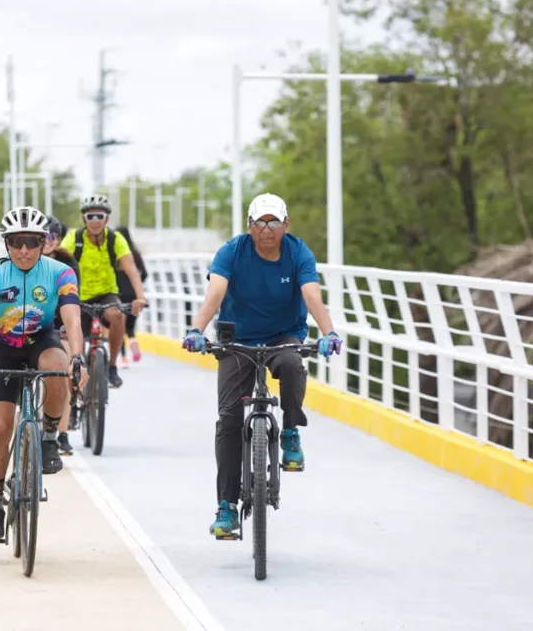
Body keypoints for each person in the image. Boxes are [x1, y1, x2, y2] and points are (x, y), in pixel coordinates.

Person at [180, 193, 343, 537]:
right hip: (236, 338)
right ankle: (226, 506)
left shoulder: (299, 252)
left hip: (284, 334)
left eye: (273, 222)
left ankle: (290, 433)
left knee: (293, 364)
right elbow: (215, 295)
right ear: (249, 226)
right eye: (259, 223)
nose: (266, 230)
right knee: (228, 418)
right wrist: (197, 330)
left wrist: (329, 333)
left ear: (286, 225)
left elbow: (312, 295)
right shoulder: (231, 252)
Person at [0, 206, 88, 542]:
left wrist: (77, 357)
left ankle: (49, 438)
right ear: (6, 243)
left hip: (41, 339)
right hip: (2, 346)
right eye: (16, 242)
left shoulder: (61, 272)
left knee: (58, 365)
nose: (24, 250)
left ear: (43, 242)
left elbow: (72, 320)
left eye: (32, 242)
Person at [60, 194, 147, 388]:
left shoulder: (115, 239)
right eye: (90, 216)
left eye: (100, 216)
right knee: (76, 338)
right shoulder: (74, 238)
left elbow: (132, 269)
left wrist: (140, 297)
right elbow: (59, 262)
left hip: (107, 292)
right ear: (84, 219)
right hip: (78, 295)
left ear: (107, 219)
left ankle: (112, 366)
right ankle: (76, 376)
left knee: (117, 315)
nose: (95, 221)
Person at [42, 216, 80, 455]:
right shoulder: (21, 263)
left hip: (59, 323)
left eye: (52, 236)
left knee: (64, 369)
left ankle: (60, 432)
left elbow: (72, 303)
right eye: (42, 236)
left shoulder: (68, 265)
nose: (47, 241)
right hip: (30, 326)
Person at [114, 226, 148, 366]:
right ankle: (133, 340)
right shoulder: (135, 254)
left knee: (119, 327)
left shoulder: (115, 253)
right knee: (130, 326)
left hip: (118, 294)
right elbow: (144, 274)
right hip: (134, 295)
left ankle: (123, 358)